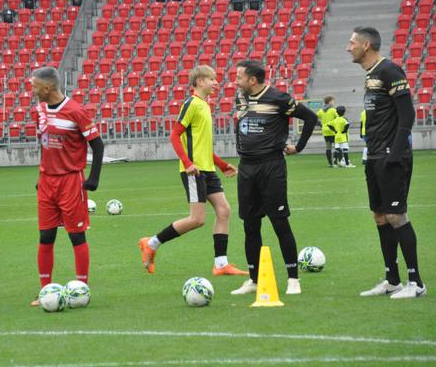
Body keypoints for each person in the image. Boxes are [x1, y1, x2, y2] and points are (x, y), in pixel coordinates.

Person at [139, 65, 247, 277]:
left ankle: (221, 264)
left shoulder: (205, 106)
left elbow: (203, 146)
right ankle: (151, 243)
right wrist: (188, 164)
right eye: (212, 79)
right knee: (197, 219)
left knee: (224, 210)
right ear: (199, 82)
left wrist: (222, 164)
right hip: (194, 172)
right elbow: (174, 135)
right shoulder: (191, 104)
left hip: (207, 169)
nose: (216, 83)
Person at [347, 26, 426, 299]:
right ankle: (392, 279)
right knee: (380, 216)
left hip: (393, 156)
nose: (349, 47)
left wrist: (395, 152)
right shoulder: (371, 76)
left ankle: (416, 282)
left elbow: (407, 114)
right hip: (375, 155)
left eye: (352, 42)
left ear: (366, 45)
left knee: (396, 215)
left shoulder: (390, 71)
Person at [230, 60, 318, 296]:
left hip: (271, 167)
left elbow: (310, 118)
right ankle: (254, 279)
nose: (236, 81)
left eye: (239, 77)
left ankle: (293, 279)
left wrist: (298, 147)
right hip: (246, 168)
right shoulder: (240, 98)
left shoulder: (279, 98)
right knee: (250, 225)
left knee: (279, 222)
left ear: (252, 80)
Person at [30, 66, 104, 306]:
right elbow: (44, 143)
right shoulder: (39, 111)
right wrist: (41, 173)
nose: (33, 90)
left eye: (35, 86)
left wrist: (93, 178)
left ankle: (82, 288)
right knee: (46, 236)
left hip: (71, 181)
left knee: (76, 236)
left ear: (47, 88)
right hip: (47, 181)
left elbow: (98, 145)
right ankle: (45, 292)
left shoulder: (76, 111)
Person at [317, 95, 338, 167]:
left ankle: (330, 163)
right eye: (333, 100)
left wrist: (320, 124)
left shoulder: (321, 110)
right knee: (336, 146)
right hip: (333, 130)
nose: (334, 102)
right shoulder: (333, 110)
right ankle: (335, 162)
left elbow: (315, 118)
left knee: (328, 147)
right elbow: (338, 118)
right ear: (330, 102)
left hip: (325, 131)